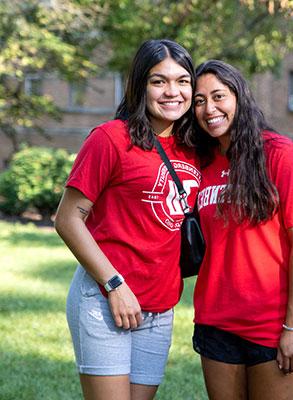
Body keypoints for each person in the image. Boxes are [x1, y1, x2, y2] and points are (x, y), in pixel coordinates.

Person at [54, 39, 200, 400]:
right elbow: (68, 218)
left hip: (160, 307)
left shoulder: (194, 147)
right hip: (106, 298)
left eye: (183, 81)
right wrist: (114, 285)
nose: (173, 92)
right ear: (139, 85)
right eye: (159, 81)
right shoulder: (110, 139)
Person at [191, 60, 293, 400]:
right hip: (215, 320)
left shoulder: (280, 155)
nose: (209, 108)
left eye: (218, 96)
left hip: (273, 323)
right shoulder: (201, 162)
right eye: (199, 101)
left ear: (239, 97)